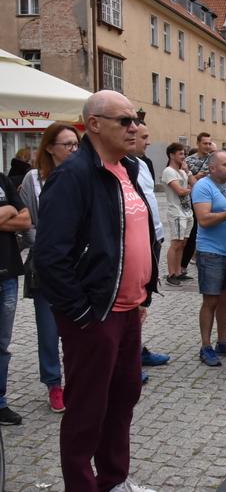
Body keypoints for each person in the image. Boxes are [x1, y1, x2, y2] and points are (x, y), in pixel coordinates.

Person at [35, 90, 158, 491]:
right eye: (125, 120)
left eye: (136, 118)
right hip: (95, 314)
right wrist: (82, 314)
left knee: (123, 398)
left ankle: (113, 480)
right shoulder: (73, 176)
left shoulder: (129, 168)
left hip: (128, 309)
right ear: (94, 124)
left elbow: (134, 236)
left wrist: (144, 292)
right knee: (87, 410)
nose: (134, 127)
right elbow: (50, 257)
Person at [18, 123, 78, 414]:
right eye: (67, 144)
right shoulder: (34, 178)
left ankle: (79, 380)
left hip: (79, 263)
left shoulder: (83, 176)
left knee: (79, 328)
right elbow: (26, 220)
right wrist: (43, 245)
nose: (73, 150)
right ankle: (54, 383)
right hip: (46, 266)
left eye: (76, 144)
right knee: (48, 328)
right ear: (50, 148)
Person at [192, 150, 226, 367]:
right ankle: (205, 346)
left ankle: (223, 342)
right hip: (210, 252)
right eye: (225, 164)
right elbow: (204, 219)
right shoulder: (203, 187)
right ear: (212, 167)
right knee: (211, 300)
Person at [132, 122, 170, 375]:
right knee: (132, 301)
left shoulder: (142, 164)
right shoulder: (119, 166)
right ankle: (129, 356)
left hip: (153, 238)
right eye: (144, 137)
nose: (148, 142)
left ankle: (136, 348)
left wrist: (158, 234)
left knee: (144, 300)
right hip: (138, 240)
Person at [0, 171, 31, 425]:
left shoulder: (2, 179)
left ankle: (0, 402)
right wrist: (9, 209)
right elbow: (16, 215)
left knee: (1, 344)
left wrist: (13, 210)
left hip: (8, 274)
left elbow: (26, 220)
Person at [161, 142, 196, 286]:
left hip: (187, 212)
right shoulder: (169, 171)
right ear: (171, 155)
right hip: (176, 212)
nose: (183, 156)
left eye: (184, 154)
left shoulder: (182, 172)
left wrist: (188, 172)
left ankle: (178, 271)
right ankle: (171, 274)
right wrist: (189, 189)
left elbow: (195, 184)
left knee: (183, 243)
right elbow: (180, 191)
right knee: (175, 243)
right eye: (180, 154)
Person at [181, 132, 214, 277]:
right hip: (191, 201)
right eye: (205, 143)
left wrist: (193, 177)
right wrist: (195, 177)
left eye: (209, 143)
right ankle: (182, 265)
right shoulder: (188, 160)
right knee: (191, 233)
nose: (207, 146)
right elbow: (183, 179)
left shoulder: (213, 160)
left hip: (209, 200)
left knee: (209, 231)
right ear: (198, 144)